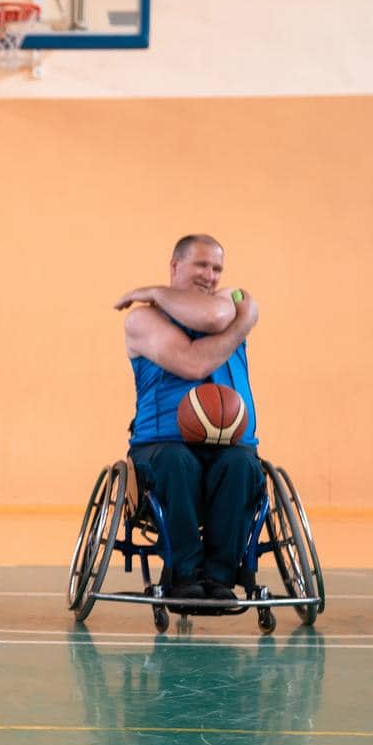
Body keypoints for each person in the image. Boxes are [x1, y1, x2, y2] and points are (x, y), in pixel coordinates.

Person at [114, 234, 262, 601]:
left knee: (242, 464)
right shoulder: (143, 319)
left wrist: (237, 317)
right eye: (201, 265)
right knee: (175, 461)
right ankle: (183, 575)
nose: (210, 275)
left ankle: (219, 579)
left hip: (231, 442)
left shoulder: (232, 300)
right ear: (175, 267)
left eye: (216, 268)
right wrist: (243, 324)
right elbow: (193, 363)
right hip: (161, 444)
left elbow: (214, 314)